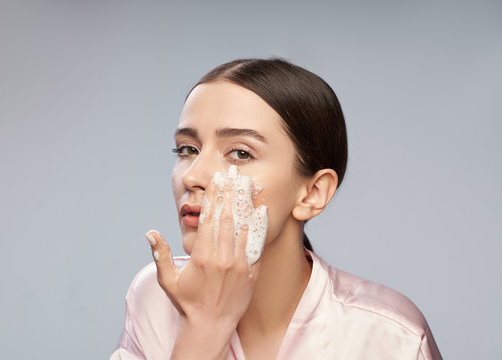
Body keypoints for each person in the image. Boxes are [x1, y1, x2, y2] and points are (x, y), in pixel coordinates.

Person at [110, 58, 442, 359]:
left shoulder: (392, 337)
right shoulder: (154, 297)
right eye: (187, 149)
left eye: (240, 153)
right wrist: (204, 327)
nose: (193, 176)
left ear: (312, 193)